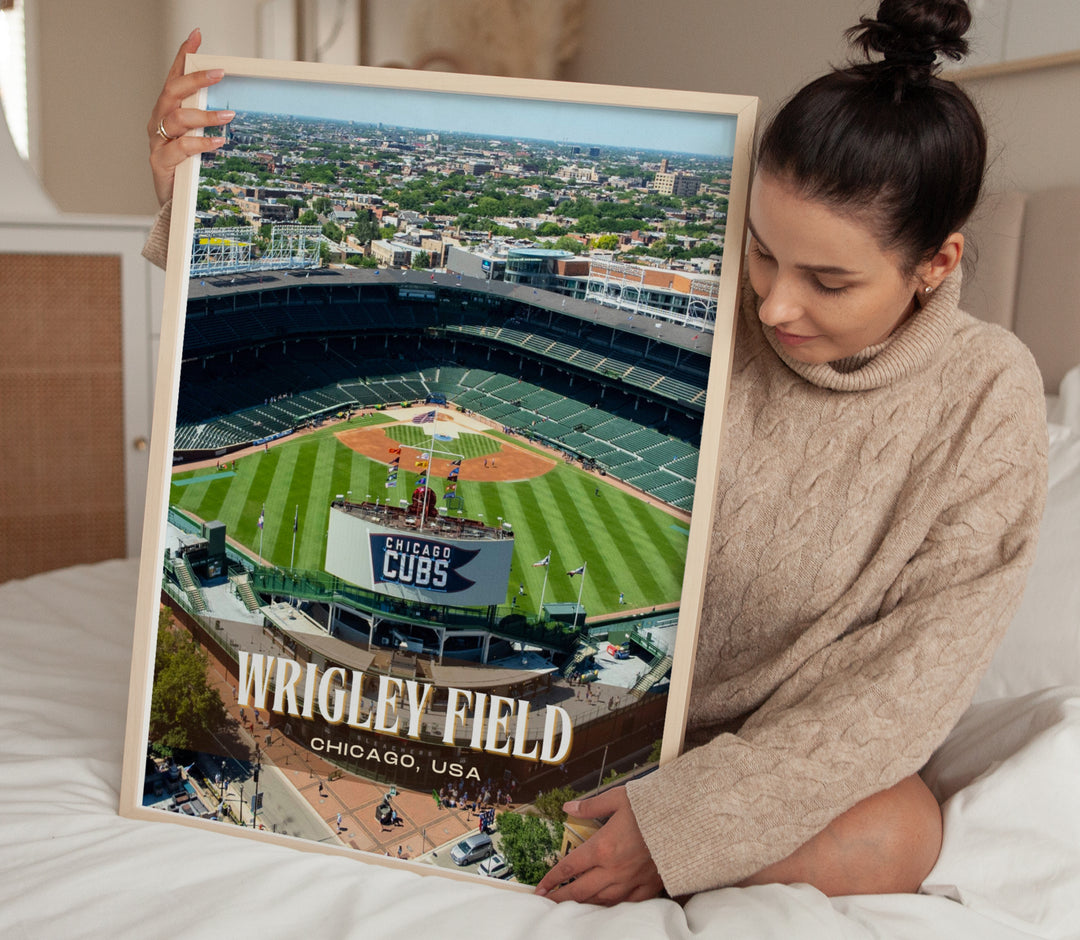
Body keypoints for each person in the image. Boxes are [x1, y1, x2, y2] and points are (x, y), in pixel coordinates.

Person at [145, 0, 1046, 906]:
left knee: (900, 832)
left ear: (936, 263)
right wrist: (183, 201)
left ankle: (595, 843)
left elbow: (904, 693)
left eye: (830, 280)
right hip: (598, 718)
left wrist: (688, 825)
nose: (773, 306)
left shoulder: (986, 396)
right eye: (764, 254)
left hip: (768, 757)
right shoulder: (717, 302)